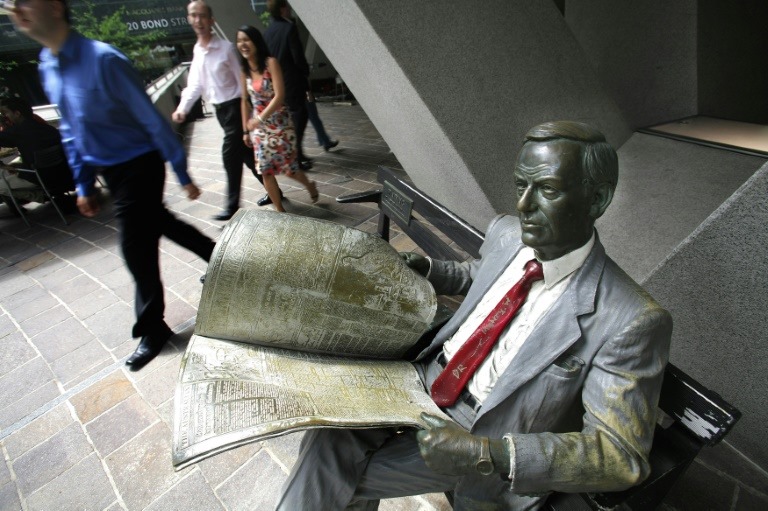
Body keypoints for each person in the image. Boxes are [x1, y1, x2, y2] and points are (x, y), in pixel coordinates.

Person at [275, 121, 672, 510]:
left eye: (547, 189)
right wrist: (430, 269)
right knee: (330, 433)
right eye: (521, 185)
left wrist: (488, 453)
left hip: (480, 431)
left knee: (328, 466)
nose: (524, 205)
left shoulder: (631, 320)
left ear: (597, 199)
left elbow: (620, 456)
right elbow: (476, 274)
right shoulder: (509, 235)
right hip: (424, 376)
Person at [8, 0, 216, 370]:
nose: (15, 8)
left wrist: (182, 173)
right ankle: (220, 258)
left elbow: (151, 120)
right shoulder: (47, 65)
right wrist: (83, 183)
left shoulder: (105, 60)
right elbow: (71, 129)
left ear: (54, 7)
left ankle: (152, 328)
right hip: (111, 171)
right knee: (160, 222)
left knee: (135, 246)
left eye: (25, 1)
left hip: (140, 163)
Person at [172, 0, 282, 219]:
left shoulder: (226, 49)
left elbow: (243, 83)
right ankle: (275, 192)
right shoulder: (198, 51)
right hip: (221, 112)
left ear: (211, 20)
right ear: (189, 19)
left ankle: (232, 206)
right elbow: (195, 85)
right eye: (194, 15)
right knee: (247, 156)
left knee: (229, 155)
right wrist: (182, 108)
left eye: (202, 16)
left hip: (235, 107)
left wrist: (250, 114)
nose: (198, 20)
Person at [236, 25, 318, 212]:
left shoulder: (270, 63)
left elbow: (280, 95)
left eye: (246, 40)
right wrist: (245, 130)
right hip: (260, 130)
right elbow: (244, 100)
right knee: (265, 171)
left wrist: (259, 119)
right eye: (239, 41)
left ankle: (310, 185)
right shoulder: (244, 70)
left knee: (289, 170)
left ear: (256, 41)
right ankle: (280, 211)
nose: (243, 44)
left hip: (280, 123)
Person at [0, 96, 73, 215]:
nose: (4, 116)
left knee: (1, 183)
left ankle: (44, 195)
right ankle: (55, 195)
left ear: (17, 113)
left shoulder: (17, 132)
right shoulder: (48, 128)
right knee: (12, 168)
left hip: (40, 178)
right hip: (64, 174)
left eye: (5, 113)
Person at [263, 0, 312, 170]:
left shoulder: (268, 32)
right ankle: (294, 156)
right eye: (288, 7)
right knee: (300, 116)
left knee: (289, 119)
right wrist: (305, 73)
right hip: (292, 81)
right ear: (283, 9)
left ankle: (295, 153)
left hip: (276, 82)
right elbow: (297, 57)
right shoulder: (289, 28)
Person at [306, 87, 339, 152]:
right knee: (316, 122)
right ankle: (326, 142)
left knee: (315, 122)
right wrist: (310, 98)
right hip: (303, 99)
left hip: (295, 99)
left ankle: (326, 142)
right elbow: (305, 86)